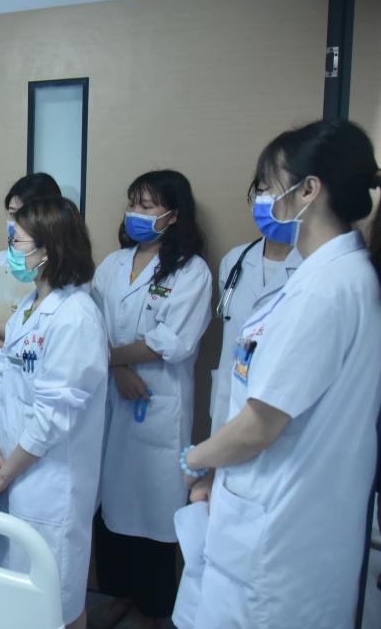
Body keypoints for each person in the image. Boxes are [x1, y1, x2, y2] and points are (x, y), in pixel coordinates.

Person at [180, 120, 381, 627]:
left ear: (308, 190)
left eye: (270, 187)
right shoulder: (335, 276)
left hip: (276, 547)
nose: (264, 200)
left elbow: (260, 425)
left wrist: (196, 459)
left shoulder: (324, 290)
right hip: (280, 527)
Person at [0, 196, 107, 629]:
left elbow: (53, 418)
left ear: (48, 249)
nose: (11, 249)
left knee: (57, 606)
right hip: (11, 468)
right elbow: (1, 379)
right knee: (19, 599)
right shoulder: (29, 307)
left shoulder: (76, 317)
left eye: (18, 241)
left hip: (50, 484)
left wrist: (5, 473)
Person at [90, 170, 212, 629]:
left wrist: (109, 358)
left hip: (157, 404)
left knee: (156, 512)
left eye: (147, 206)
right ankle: (119, 594)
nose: (135, 214)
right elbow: (92, 325)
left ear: (173, 215)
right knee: (112, 508)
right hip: (111, 396)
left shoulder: (191, 271)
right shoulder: (112, 264)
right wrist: (116, 368)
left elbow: (172, 341)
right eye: (133, 204)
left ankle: (155, 609)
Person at [0, 173, 62, 516]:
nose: (15, 221)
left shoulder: (68, 297)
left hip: (35, 400)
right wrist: (12, 342)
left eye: (24, 213)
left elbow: (38, 343)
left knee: (23, 494)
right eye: (11, 213)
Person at [209, 180, 301, 432]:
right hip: (230, 394)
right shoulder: (234, 261)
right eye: (261, 191)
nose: (266, 199)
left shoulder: (313, 266)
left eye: (277, 191)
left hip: (279, 401)